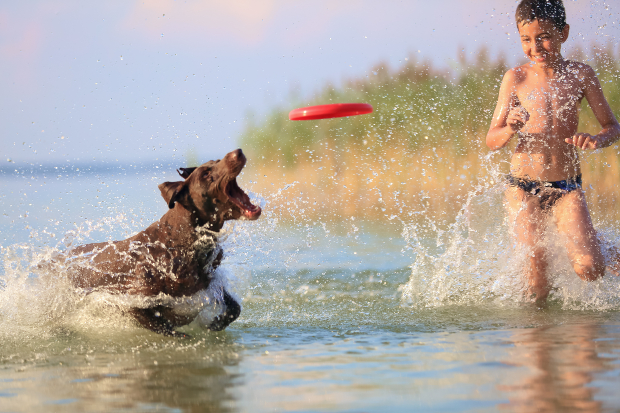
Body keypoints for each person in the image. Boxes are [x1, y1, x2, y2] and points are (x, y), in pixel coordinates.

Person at [485, 0, 620, 302]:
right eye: (526, 39)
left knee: (589, 268)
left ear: (564, 33)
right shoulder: (516, 78)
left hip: (566, 187)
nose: (536, 47)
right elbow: (492, 139)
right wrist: (509, 128)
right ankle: (539, 341)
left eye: (544, 36)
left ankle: (602, 248)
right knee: (537, 284)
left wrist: (598, 140)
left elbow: (613, 126)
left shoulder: (581, 75)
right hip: (523, 188)